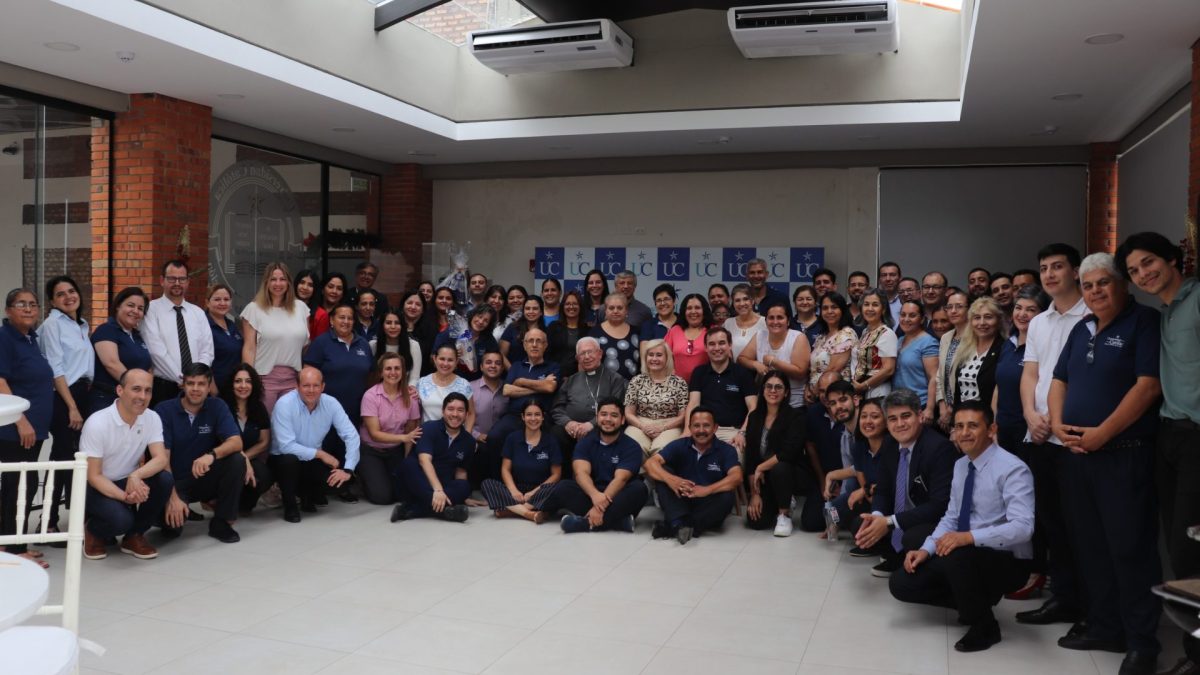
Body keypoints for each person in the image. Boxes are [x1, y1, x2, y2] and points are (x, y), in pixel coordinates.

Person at [1048, 252, 1161, 675]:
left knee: (1130, 549)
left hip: (1122, 454)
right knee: (1091, 546)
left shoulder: (1144, 323)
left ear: (1123, 285)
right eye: (1088, 284)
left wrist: (1104, 433)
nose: (1095, 291)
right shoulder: (1082, 328)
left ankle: (1141, 644)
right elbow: (1060, 379)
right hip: (1076, 456)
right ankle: (1104, 626)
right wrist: (1058, 423)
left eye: (1104, 283)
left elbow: (1148, 387)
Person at [889, 401, 1035, 653]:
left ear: (991, 430)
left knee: (957, 553)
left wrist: (968, 537)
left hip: (1007, 560)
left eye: (973, 426)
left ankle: (984, 626)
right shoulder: (961, 465)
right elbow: (951, 516)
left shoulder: (1013, 468)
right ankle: (974, 599)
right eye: (959, 426)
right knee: (902, 583)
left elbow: (1023, 528)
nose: (964, 432)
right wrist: (926, 549)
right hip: (967, 552)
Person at [1118, 232, 1200, 675]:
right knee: (1177, 546)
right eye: (1133, 271)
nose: (1143, 274)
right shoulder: (1163, 314)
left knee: (1190, 552)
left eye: (1149, 262)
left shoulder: (1197, 298)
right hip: (1170, 436)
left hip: (1197, 437)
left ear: (1173, 259)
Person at [1013, 243, 1089, 633]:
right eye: (1044, 267)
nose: (1049, 274)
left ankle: (1090, 607)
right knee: (1051, 522)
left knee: (1082, 526)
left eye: (1058, 266)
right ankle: (1063, 598)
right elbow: (1031, 375)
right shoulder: (1040, 321)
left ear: (1076, 271)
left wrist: (1055, 421)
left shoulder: (1093, 315)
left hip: (1076, 439)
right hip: (1038, 435)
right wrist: (1030, 414)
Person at [854, 389, 956, 578]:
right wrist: (876, 517)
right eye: (892, 419)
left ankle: (915, 560)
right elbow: (882, 490)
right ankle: (894, 554)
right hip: (903, 514)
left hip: (931, 519)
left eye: (905, 416)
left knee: (911, 537)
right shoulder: (889, 444)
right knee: (862, 523)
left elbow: (940, 505)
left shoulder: (939, 448)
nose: (899, 424)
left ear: (919, 416)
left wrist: (890, 522)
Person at [992, 284, 1050, 601]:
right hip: (1005, 432)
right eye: (1018, 308)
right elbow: (999, 388)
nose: (1022, 314)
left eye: (1030, 309)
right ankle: (1015, 565)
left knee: (1032, 505)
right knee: (1008, 503)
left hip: (1032, 435)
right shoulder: (1010, 344)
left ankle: (1038, 569)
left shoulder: (1043, 344)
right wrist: (994, 422)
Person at [81, 369, 173, 561]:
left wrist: (136, 476)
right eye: (136, 389)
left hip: (127, 479)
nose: (143, 396)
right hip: (95, 486)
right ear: (120, 390)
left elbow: (161, 458)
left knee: (164, 479)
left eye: (148, 390)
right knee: (121, 521)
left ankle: (134, 536)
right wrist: (125, 497)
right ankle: (93, 530)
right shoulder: (97, 423)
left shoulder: (152, 417)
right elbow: (94, 476)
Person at [155, 363, 245, 543]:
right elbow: (162, 458)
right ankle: (178, 510)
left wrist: (211, 455)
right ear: (183, 384)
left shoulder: (217, 406)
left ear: (209, 385)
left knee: (236, 460)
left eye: (201, 384)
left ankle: (222, 522)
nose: (195, 389)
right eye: (190, 383)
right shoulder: (164, 410)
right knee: (171, 530)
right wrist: (173, 497)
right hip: (174, 481)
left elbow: (236, 442)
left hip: (202, 476)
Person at [0, 288, 55, 566]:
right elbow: (0, 381)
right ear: (9, 310)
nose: (29, 309)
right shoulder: (4, 337)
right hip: (15, 429)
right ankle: (13, 550)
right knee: (17, 486)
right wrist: (20, 420)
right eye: (21, 304)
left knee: (24, 484)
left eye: (33, 304)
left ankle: (14, 544)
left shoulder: (30, 339)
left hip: (35, 428)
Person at [37, 275, 94, 542]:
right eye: (61, 294)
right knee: (61, 459)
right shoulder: (52, 325)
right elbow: (55, 369)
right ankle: (47, 523)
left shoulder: (82, 325)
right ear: (52, 301)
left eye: (72, 291)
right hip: (64, 397)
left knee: (75, 460)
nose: (68, 296)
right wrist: (71, 406)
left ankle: (75, 518)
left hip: (84, 394)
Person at [268, 367, 359, 522]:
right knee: (289, 460)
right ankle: (290, 504)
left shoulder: (331, 403)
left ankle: (307, 495)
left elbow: (351, 435)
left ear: (323, 386)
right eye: (306, 385)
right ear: (297, 386)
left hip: (311, 461)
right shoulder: (284, 404)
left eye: (316, 385)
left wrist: (348, 469)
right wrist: (321, 454)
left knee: (341, 483)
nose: (311, 390)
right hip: (283, 460)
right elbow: (286, 446)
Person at [546, 398, 646, 534]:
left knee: (639, 489)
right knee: (563, 487)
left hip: (618, 495)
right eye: (604, 414)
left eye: (614, 415)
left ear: (622, 420)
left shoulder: (632, 446)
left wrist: (599, 507)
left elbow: (620, 479)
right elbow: (581, 474)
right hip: (591, 494)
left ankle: (584, 523)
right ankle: (618, 522)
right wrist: (595, 496)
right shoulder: (585, 442)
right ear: (597, 417)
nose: (608, 419)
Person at [303, 304, 374, 496]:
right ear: (332, 321)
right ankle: (318, 488)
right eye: (341, 317)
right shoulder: (321, 343)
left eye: (350, 318)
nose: (346, 321)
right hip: (324, 408)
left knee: (347, 444)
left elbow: (370, 374)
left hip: (354, 406)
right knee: (323, 445)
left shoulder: (363, 344)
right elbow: (309, 374)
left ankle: (344, 485)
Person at [646, 407, 744, 544]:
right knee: (662, 471)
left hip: (707, 503)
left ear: (715, 428)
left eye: (706, 426)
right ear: (690, 428)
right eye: (696, 426)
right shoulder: (679, 445)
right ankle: (686, 525)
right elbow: (650, 464)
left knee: (727, 497)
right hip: (681, 499)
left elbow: (736, 476)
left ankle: (675, 524)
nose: (701, 430)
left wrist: (706, 490)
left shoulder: (726, 450)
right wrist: (672, 480)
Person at [744, 372, 810, 537]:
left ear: (786, 392)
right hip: (765, 478)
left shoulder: (796, 416)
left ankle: (784, 514)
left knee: (780, 468)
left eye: (778, 387)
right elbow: (751, 456)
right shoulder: (754, 417)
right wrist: (755, 495)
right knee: (756, 522)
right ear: (763, 389)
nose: (773, 391)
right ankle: (780, 500)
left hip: (790, 473)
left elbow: (788, 453)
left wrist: (761, 467)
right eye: (769, 386)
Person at [484, 327, 558, 472]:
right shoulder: (517, 366)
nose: (535, 344)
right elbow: (507, 390)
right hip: (515, 415)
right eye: (530, 341)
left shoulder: (553, 367)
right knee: (493, 437)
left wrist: (521, 381)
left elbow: (550, 388)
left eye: (539, 341)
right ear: (524, 345)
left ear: (546, 345)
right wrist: (540, 385)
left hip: (541, 417)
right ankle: (496, 481)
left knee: (556, 437)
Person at [392, 392, 473, 523]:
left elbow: (461, 471)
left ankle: (412, 510)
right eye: (450, 409)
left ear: (467, 414)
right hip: (417, 484)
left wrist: (462, 496)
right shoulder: (429, 428)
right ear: (443, 411)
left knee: (465, 486)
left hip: (442, 484)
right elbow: (424, 461)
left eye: (460, 410)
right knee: (408, 465)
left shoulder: (469, 441)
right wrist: (438, 490)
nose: (455, 414)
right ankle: (446, 511)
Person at [143, 259, 214, 406]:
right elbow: (156, 351)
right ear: (162, 280)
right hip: (164, 387)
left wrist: (196, 378)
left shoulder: (198, 313)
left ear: (188, 282)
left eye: (182, 279)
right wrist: (182, 379)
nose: (177, 283)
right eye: (172, 278)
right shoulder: (150, 310)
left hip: (196, 388)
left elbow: (207, 350)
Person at [241, 262, 309, 412]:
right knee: (266, 426)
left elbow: (305, 345)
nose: (278, 283)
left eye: (282, 279)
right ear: (266, 282)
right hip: (264, 379)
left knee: (289, 427)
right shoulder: (253, 309)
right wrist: (249, 379)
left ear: (289, 282)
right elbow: (249, 348)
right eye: (273, 279)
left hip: (293, 379)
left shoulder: (301, 309)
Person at [549, 337, 628, 465]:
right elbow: (557, 408)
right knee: (556, 432)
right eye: (582, 354)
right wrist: (568, 423)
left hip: (601, 428)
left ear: (600, 353)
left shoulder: (615, 379)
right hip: (571, 431)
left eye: (590, 352)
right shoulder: (571, 380)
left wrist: (591, 425)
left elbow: (617, 411)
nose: (586, 357)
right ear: (577, 359)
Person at [481, 399, 562, 523]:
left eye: (537, 414)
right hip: (517, 489)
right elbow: (505, 469)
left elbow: (556, 474)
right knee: (487, 484)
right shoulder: (513, 438)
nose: (533, 418)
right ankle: (529, 513)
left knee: (560, 487)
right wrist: (513, 491)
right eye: (529, 414)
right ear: (523, 417)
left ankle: (511, 510)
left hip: (540, 490)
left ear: (543, 417)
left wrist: (534, 492)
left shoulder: (551, 441)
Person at [358, 352, 421, 505]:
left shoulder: (410, 398)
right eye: (388, 369)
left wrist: (406, 460)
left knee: (403, 493)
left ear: (403, 372)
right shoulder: (371, 396)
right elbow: (375, 434)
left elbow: (410, 432)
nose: (393, 373)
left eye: (397, 368)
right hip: (372, 450)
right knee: (383, 497)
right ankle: (362, 478)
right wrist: (403, 438)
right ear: (381, 372)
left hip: (395, 451)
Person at [686, 327, 757, 449]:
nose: (717, 348)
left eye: (722, 343)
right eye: (712, 344)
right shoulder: (699, 372)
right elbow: (693, 403)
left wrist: (742, 433)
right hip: (702, 430)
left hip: (732, 433)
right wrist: (687, 430)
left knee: (733, 460)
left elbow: (753, 407)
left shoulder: (743, 373)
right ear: (706, 348)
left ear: (730, 345)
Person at [90, 287, 153, 414]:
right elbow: (112, 363)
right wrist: (136, 387)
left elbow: (148, 367)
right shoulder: (106, 330)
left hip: (134, 400)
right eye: (131, 305)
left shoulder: (137, 335)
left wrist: (144, 391)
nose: (135, 311)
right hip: (107, 400)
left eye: (140, 309)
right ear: (118, 306)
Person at [220, 364, 273, 514]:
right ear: (231, 384)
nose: (243, 386)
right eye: (238, 381)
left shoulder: (258, 407)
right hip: (224, 458)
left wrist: (245, 458)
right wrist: (239, 459)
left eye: (248, 381)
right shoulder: (221, 406)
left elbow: (264, 441)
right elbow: (221, 441)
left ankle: (244, 505)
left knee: (264, 475)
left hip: (249, 456)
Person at [623, 339, 689, 458]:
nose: (654, 359)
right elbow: (628, 413)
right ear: (645, 357)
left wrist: (663, 427)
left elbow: (683, 416)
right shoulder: (636, 381)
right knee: (632, 446)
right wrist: (643, 426)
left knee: (662, 450)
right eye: (650, 355)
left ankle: (653, 476)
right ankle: (640, 476)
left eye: (659, 355)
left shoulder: (679, 383)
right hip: (640, 423)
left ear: (667, 358)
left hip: (670, 425)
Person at [739, 304, 810, 408]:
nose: (775, 322)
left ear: (788, 321)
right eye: (771, 318)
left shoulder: (798, 337)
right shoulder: (760, 335)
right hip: (766, 401)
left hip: (793, 403)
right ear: (766, 321)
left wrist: (774, 362)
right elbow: (741, 358)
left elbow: (800, 373)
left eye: (780, 317)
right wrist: (755, 364)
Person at [950, 297, 1005, 407]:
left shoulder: (1004, 349)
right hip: (963, 416)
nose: (982, 322)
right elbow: (957, 391)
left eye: (988, 317)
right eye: (977, 318)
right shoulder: (965, 347)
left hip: (987, 418)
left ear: (998, 320)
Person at [891, 301, 940, 425]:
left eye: (912, 315)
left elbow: (934, 377)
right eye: (903, 315)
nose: (906, 319)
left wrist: (929, 408)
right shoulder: (899, 340)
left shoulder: (928, 342)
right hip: (898, 405)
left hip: (919, 405)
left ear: (922, 319)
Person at [807, 292, 856, 404]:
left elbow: (833, 369)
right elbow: (814, 369)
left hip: (837, 398)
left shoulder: (846, 334)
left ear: (842, 310)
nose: (829, 311)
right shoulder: (821, 337)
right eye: (825, 308)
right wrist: (808, 387)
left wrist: (815, 390)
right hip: (819, 396)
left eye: (834, 307)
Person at [851, 289, 898, 399]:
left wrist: (864, 385)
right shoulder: (865, 332)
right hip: (861, 390)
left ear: (883, 309)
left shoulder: (887, 334)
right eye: (866, 304)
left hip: (878, 391)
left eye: (875, 305)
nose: (870, 309)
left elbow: (889, 369)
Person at [469, 349, 508, 479]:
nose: (493, 366)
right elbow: (460, 417)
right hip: (477, 442)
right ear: (481, 366)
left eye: (497, 363)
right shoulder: (469, 388)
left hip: (501, 444)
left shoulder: (508, 390)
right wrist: (476, 435)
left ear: (502, 368)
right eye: (488, 362)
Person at [433, 304, 499, 381]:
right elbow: (433, 357)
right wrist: (451, 354)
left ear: (489, 325)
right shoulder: (454, 331)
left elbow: (494, 363)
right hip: (448, 380)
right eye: (479, 316)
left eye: (486, 320)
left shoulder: (489, 340)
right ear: (473, 315)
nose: (481, 321)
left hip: (475, 382)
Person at [935, 290, 971, 430]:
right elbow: (940, 374)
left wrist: (952, 409)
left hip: (966, 407)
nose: (953, 311)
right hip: (946, 409)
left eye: (959, 306)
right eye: (949, 307)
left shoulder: (976, 337)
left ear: (969, 309)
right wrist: (943, 406)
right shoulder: (946, 337)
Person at [418, 344, 475, 423]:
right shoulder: (422, 383)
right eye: (442, 359)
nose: (445, 364)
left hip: (456, 434)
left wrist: (466, 434)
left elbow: (471, 414)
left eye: (450, 360)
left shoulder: (465, 385)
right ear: (434, 359)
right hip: (428, 433)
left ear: (456, 362)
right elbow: (416, 414)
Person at [591, 293, 641, 380]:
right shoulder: (594, 333)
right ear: (606, 311)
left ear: (626, 310)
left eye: (620, 308)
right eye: (611, 308)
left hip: (632, 389)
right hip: (603, 389)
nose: (615, 311)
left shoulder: (637, 333)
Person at [205, 284, 244, 395]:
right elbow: (203, 364)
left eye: (226, 299)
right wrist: (214, 392)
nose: (222, 303)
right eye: (217, 299)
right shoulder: (203, 326)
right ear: (207, 302)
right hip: (213, 391)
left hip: (233, 390)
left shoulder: (232, 325)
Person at [663, 293, 710, 383]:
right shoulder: (674, 331)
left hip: (706, 386)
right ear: (684, 312)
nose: (693, 311)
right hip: (676, 387)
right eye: (689, 308)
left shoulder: (712, 331)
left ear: (704, 310)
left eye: (697, 308)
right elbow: (664, 357)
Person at [371, 309, 422, 389]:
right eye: (388, 323)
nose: (393, 326)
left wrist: (409, 391)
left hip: (405, 393)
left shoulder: (413, 346)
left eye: (397, 323)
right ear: (382, 325)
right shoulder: (373, 345)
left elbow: (414, 378)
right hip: (378, 394)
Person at [548, 289, 588, 377]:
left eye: (575, 304)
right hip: (555, 377)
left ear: (580, 306)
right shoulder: (553, 327)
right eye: (567, 304)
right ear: (563, 307)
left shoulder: (587, 330)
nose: (571, 307)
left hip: (580, 378)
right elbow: (547, 354)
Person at [500, 295, 545, 368]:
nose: (531, 311)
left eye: (535, 308)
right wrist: (513, 372)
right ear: (523, 311)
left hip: (538, 375)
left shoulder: (545, 332)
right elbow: (501, 354)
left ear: (541, 312)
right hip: (512, 374)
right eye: (527, 308)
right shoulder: (512, 328)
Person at [398, 289, 436, 376]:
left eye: (418, 304)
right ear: (403, 305)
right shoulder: (395, 326)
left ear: (423, 309)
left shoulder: (431, 329)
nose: (413, 307)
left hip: (422, 377)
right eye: (409, 303)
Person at [724, 284, 764, 360]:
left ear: (752, 301)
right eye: (737, 300)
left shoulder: (765, 323)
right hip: (734, 370)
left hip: (758, 370)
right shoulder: (728, 323)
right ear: (733, 303)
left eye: (745, 299)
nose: (742, 304)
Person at [641, 283, 679, 350]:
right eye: (658, 300)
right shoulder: (648, 325)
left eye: (666, 299)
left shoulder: (683, 322)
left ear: (674, 301)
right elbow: (644, 353)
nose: (662, 303)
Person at [293, 269, 325, 339]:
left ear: (315, 289)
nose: (305, 287)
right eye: (302, 282)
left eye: (310, 285)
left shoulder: (321, 315)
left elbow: (319, 345)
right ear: (296, 284)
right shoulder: (284, 308)